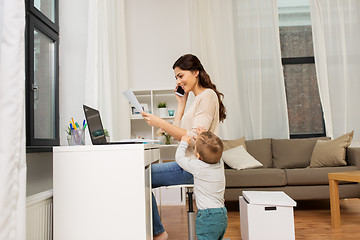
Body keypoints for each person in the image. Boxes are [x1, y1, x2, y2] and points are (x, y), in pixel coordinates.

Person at [141, 54, 226, 240]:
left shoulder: (207, 96)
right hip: (190, 163)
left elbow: (196, 140)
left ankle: (158, 233)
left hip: (194, 167)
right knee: (141, 177)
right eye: (176, 78)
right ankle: (158, 232)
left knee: (140, 177)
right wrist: (181, 103)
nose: (178, 81)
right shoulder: (196, 100)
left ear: (196, 72)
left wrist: (160, 123)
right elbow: (180, 135)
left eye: (181, 76)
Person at [176, 131, 227, 240]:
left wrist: (183, 143)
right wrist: (202, 137)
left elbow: (179, 159)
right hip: (222, 214)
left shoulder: (198, 166)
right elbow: (214, 150)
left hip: (207, 216)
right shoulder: (220, 164)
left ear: (198, 155)